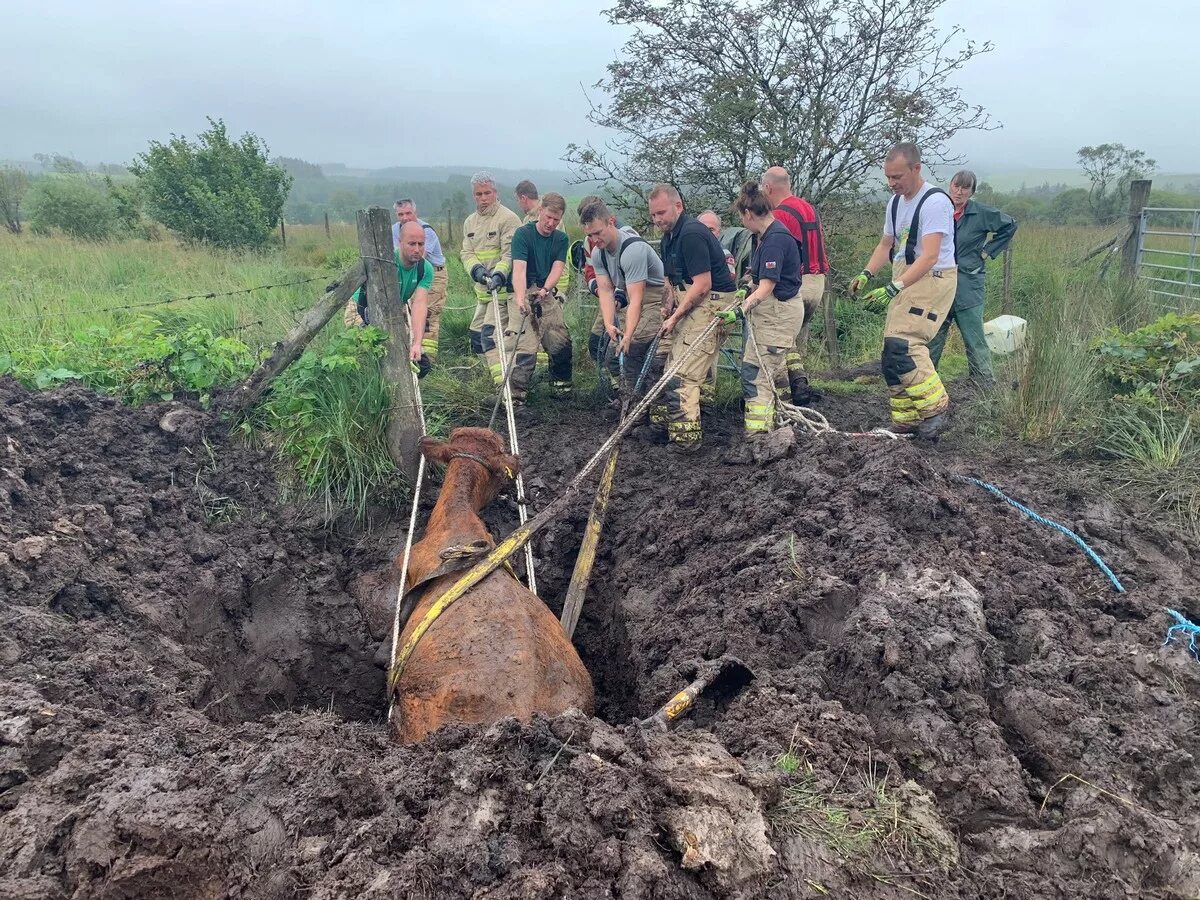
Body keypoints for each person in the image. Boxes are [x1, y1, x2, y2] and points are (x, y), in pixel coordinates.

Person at [850, 143, 957, 438]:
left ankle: (935, 408)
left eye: (897, 177)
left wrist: (894, 287)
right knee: (890, 354)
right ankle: (906, 419)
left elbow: (930, 255)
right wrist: (867, 273)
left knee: (906, 345)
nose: (892, 183)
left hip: (932, 277)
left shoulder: (935, 202)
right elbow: (887, 245)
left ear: (916, 169)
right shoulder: (895, 203)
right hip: (905, 276)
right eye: (888, 177)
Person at [649, 183, 739, 453]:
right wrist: (668, 306)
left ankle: (686, 441)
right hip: (692, 301)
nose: (657, 220)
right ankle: (668, 428)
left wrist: (675, 317)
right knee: (669, 365)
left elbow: (702, 285)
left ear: (678, 206)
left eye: (661, 213)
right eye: (653, 215)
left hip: (712, 305)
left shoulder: (691, 234)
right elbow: (670, 281)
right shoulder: (669, 237)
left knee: (682, 374)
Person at [927, 170, 1018, 386]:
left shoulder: (981, 213)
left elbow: (1010, 225)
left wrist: (988, 251)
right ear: (950, 186)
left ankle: (984, 384)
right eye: (956, 186)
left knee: (974, 337)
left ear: (971, 191)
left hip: (968, 284)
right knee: (932, 337)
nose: (959, 192)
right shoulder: (940, 210)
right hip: (939, 284)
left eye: (965, 188)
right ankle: (927, 383)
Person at [733, 181, 805, 437]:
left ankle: (759, 436)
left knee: (757, 375)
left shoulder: (774, 240)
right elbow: (758, 278)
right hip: (773, 314)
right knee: (768, 371)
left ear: (748, 214)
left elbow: (766, 287)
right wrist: (745, 285)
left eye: (742, 217)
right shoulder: (769, 236)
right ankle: (776, 427)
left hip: (777, 314)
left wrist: (739, 310)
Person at [581, 199, 669, 405]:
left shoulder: (633, 249)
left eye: (598, 232)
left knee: (632, 347)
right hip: (630, 299)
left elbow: (638, 299)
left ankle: (641, 406)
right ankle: (628, 399)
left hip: (655, 299)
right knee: (612, 353)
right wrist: (609, 323)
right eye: (590, 235)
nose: (595, 239)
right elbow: (605, 291)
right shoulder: (598, 254)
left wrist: (628, 335)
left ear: (611, 222)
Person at [761, 166, 830, 405]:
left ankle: (785, 399)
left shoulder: (780, 215)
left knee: (778, 340)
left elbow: (781, 254)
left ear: (768, 188)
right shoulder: (809, 208)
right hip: (818, 282)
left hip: (797, 283)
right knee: (793, 341)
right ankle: (800, 384)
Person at [344, 221, 433, 376]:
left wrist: (417, 343)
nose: (417, 249)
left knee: (416, 358)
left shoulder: (425, 269)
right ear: (400, 242)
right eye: (411, 244)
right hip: (361, 309)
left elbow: (419, 304)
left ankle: (404, 393)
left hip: (394, 309)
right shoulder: (386, 261)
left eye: (421, 244)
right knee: (370, 356)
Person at [509, 192, 573, 401]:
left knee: (560, 339)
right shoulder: (523, 234)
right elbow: (519, 269)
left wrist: (546, 290)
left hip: (546, 293)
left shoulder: (561, 239)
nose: (551, 223)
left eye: (556, 220)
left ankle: (561, 389)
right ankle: (517, 396)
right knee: (525, 345)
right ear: (540, 211)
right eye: (548, 217)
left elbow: (558, 267)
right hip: (524, 290)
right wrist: (520, 298)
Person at [461, 172, 522, 387]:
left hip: (503, 292)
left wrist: (499, 274)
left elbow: (510, 254)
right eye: (479, 194)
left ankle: (504, 386)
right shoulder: (470, 222)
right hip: (482, 291)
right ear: (474, 196)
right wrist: (476, 270)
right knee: (476, 335)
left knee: (491, 336)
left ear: (495, 193)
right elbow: (466, 253)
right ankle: (491, 376)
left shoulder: (508, 219)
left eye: (487, 193)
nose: (484, 198)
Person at [393, 199, 448, 362]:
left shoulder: (425, 231)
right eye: (401, 214)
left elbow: (418, 259)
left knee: (428, 314)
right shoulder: (393, 230)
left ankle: (426, 358)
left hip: (431, 272)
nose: (405, 217)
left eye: (408, 213)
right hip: (404, 273)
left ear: (415, 213)